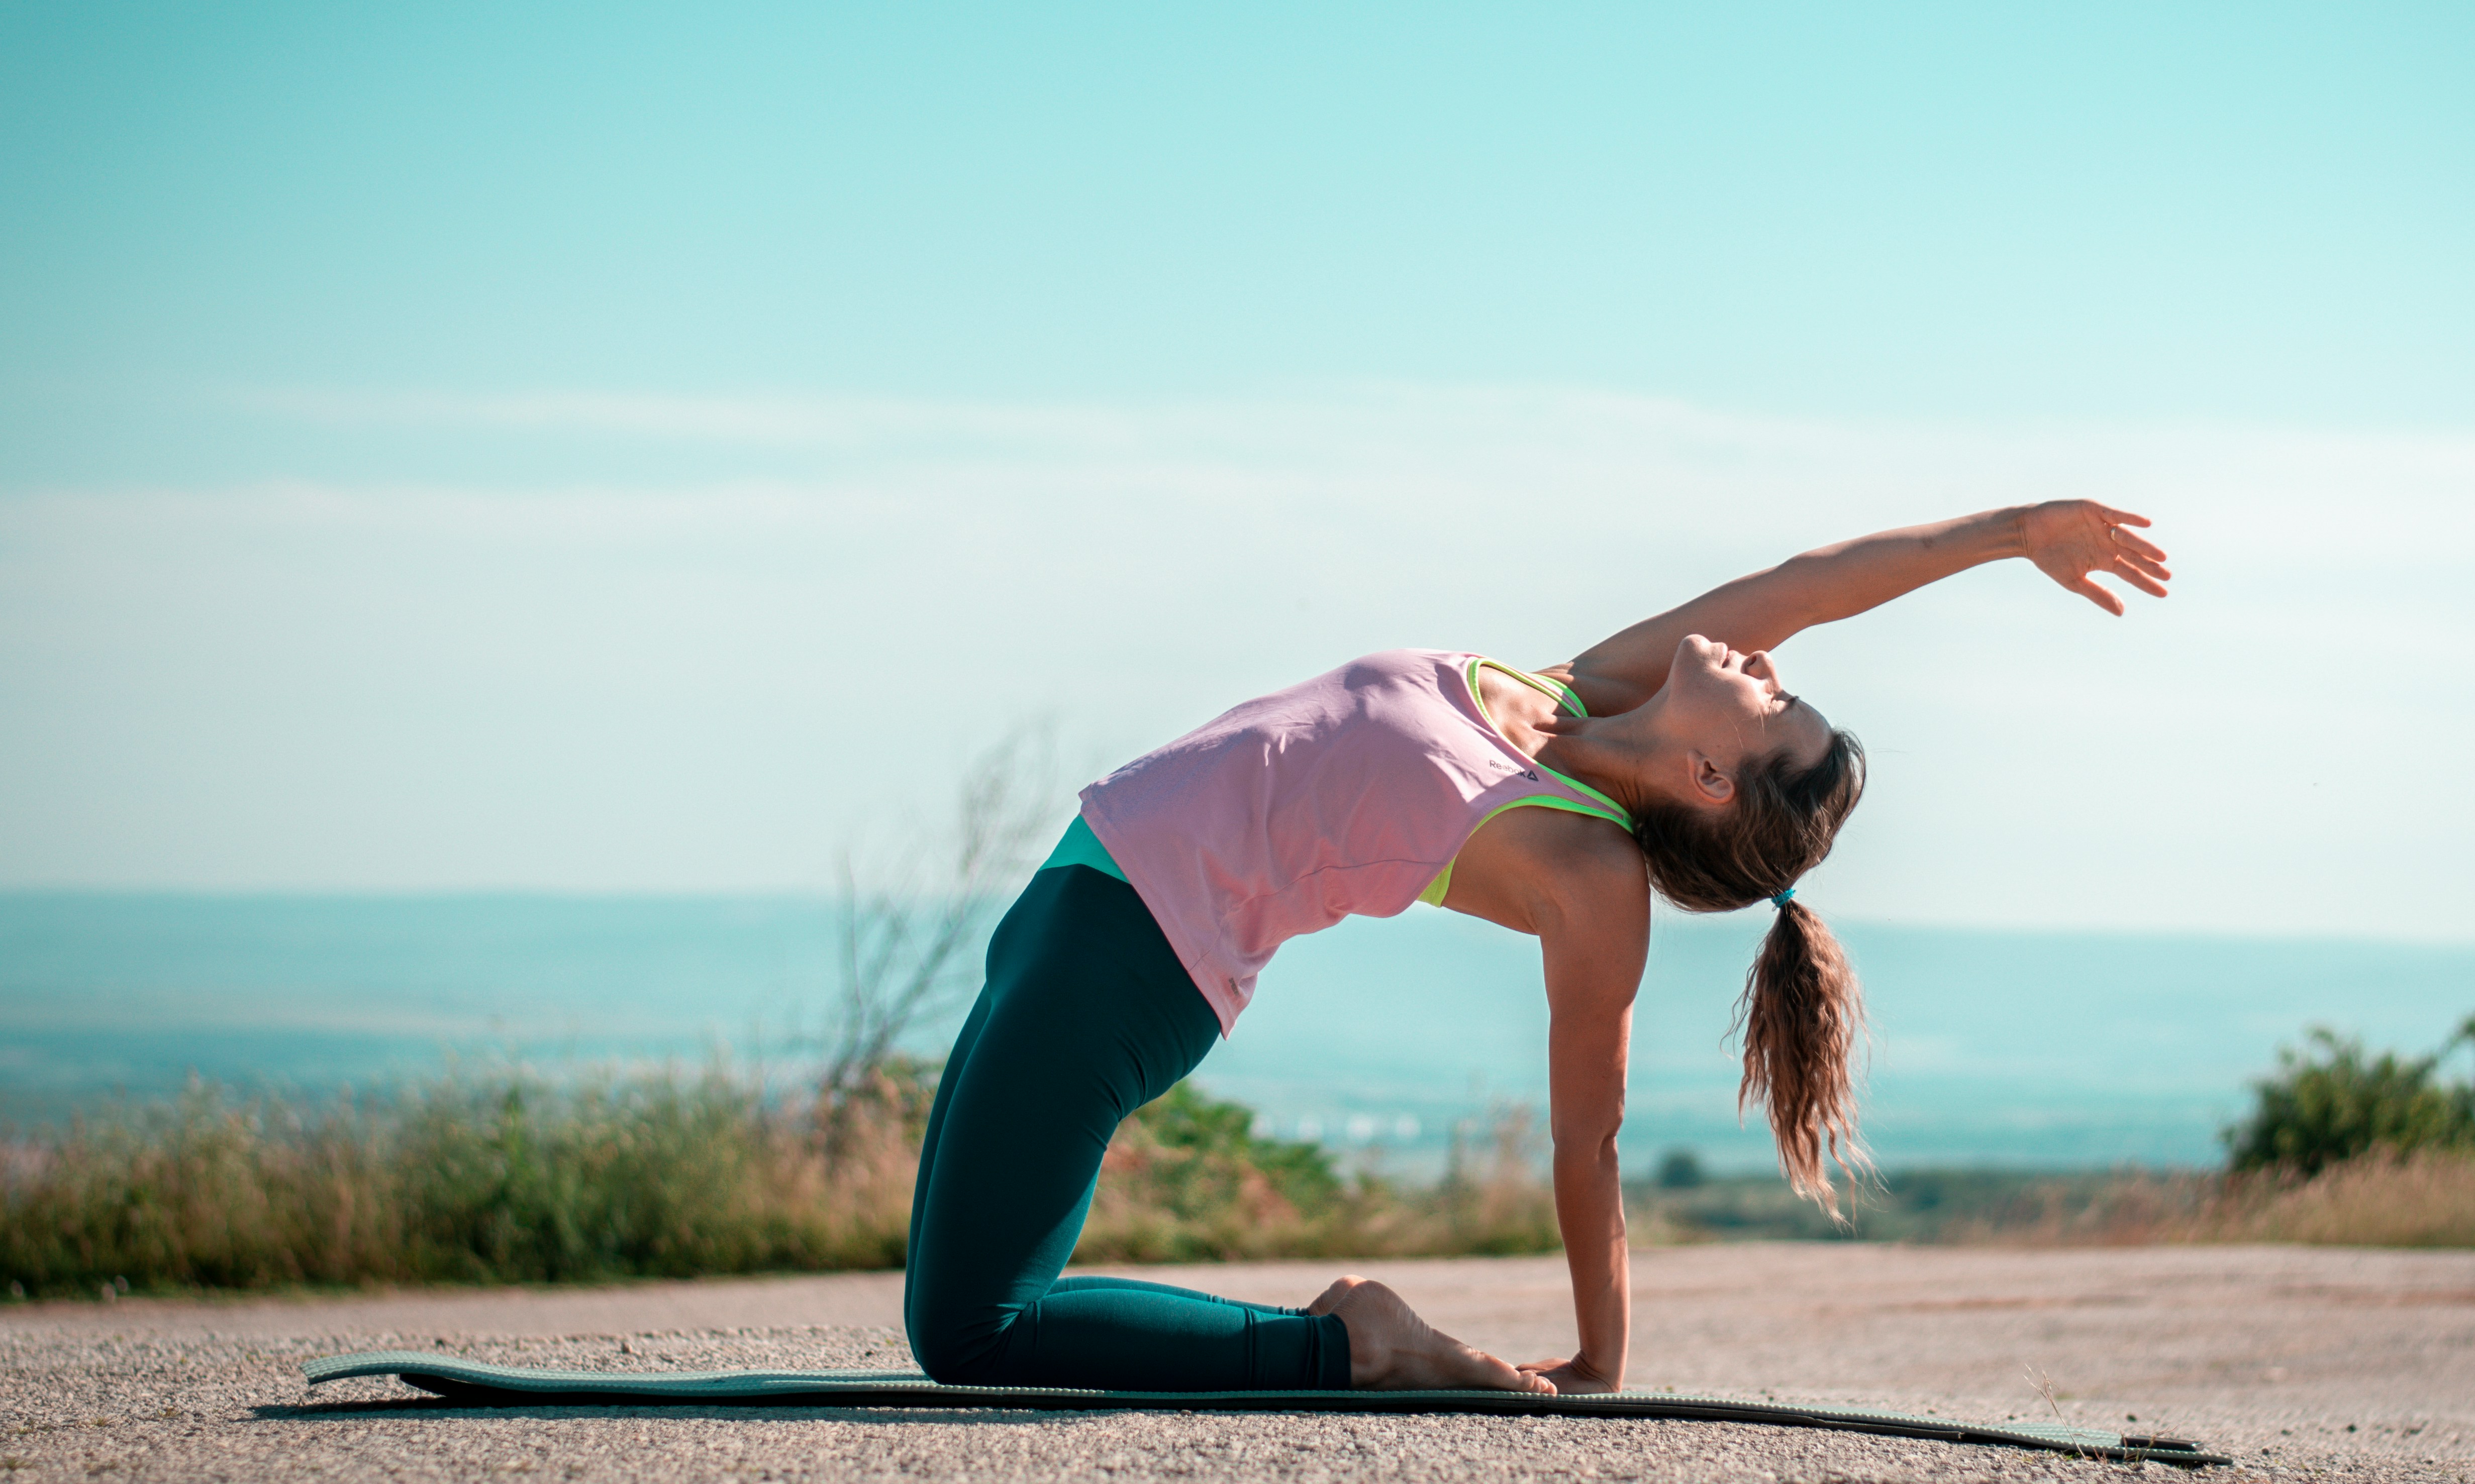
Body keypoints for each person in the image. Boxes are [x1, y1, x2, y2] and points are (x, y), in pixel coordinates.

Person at [902, 497, 2171, 1395]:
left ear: (1715, 776)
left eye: (1778, 700)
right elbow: (1810, 577)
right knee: (957, 1284)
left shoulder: (1587, 867)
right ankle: (1347, 1346)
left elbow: (1589, 1134)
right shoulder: (1582, 689)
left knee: (972, 1329)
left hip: (1138, 956)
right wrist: (2012, 533)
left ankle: (1352, 1347)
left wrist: (1600, 1354)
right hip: (1076, 893)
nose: (1770, 659)